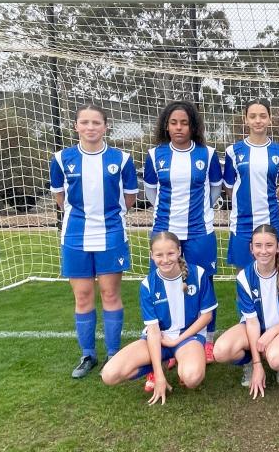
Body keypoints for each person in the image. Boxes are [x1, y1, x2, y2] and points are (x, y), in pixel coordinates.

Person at [49, 103, 138, 379]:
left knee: (110, 294)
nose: (90, 127)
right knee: (83, 296)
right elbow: (60, 197)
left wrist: (107, 216)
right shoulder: (61, 159)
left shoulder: (122, 159)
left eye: (96, 122)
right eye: (85, 122)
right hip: (75, 236)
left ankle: (113, 354)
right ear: (76, 126)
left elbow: (130, 198)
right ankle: (88, 354)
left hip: (111, 234)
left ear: (105, 126)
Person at [143, 101, 224, 362]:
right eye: (174, 123)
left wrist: (201, 211)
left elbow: (215, 189)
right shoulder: (155, 155)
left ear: (193, 126)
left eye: (184, 123)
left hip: (200, 231)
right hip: (165, 231)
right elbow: (151, 192)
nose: (179, 127)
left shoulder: (207, 154)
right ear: (166, 126)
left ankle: (207, 340)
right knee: (164, 284)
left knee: (204, 283)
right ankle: (168, 341)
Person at [100, 232, 216, 405]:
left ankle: (182, 360)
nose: (165, 260)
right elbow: (153, 331)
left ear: (179, 251)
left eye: (170, 253)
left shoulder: (198, 274)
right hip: (159, 339)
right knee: (109, 375)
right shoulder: (148, 284)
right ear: (152, 255)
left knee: (192, 378)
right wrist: (159, 376)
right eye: (159, 255)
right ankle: (158, 366)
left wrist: (176, 341)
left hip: (189, 337)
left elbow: (207, 316)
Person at [211, 225, 279, 398]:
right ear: (251, 248)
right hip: (253, 326)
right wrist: (257, 364)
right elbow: (252, 322)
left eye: (269, 245)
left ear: (278, 247)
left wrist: (272, 332)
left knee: (276, 360)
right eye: (258, 245)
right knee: (220, 351)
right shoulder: (244, 277)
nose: (263, 251)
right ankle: (250, 361)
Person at [222, 99, 279, 271]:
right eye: (252, 116)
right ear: (246, 120)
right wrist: (241, 202)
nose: (258, 120)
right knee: (243, 275)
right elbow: (229, 185)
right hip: (242, 221)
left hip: (270, 220)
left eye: (262, 116)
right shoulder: (233, 151)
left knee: (274, 272)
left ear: (270, 119)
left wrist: (271, 200)